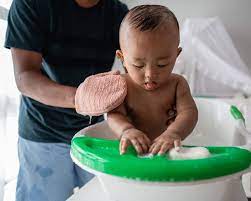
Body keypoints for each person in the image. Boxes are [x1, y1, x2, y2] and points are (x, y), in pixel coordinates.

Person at [4, 0, 128, 200]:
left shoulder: (119, 13)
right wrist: (81, 98)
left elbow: (134, 68)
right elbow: (25, 77)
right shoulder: (30, 4)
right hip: (43, 133)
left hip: (96, 134)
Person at [106, 5, 198, 155]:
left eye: (162, 64)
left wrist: (173, 133)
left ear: (176, 55)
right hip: (132, 151)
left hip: (167, 151)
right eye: (139, 65)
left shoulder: (177, 84)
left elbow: (189, 113)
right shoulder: (122, 86)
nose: (150, 73)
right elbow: (114, 115)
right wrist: (126, 130)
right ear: (122, 58)